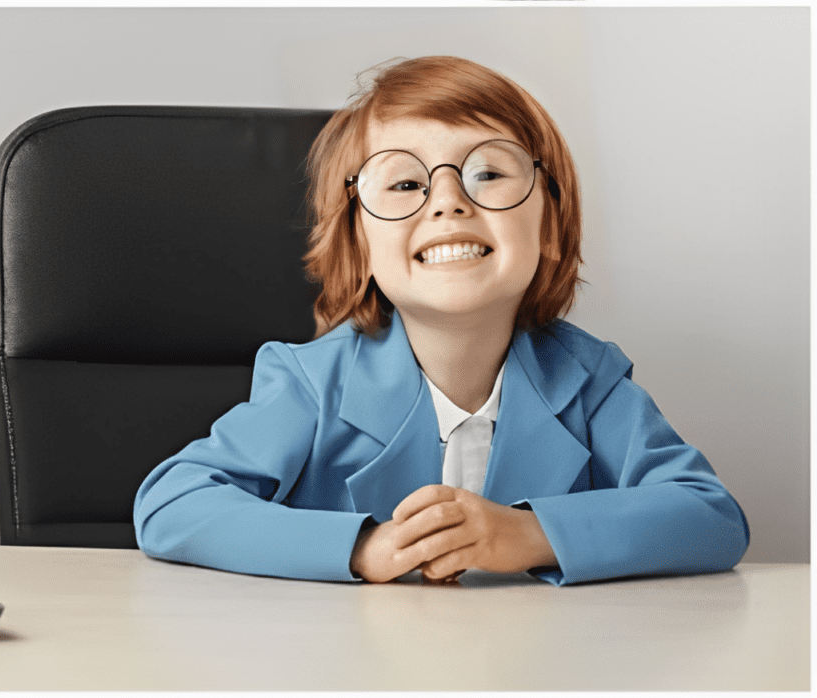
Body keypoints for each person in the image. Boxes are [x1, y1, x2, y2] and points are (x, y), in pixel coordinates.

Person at [133, 56, 749, 585]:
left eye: (488, 172)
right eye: (404, 183)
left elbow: (711, 517)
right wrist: (362, 548)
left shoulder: (591, 381)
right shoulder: (309, 383)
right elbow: (172, 504)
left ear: (550, 227)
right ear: (359, 244)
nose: (449, 200)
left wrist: (526, 535)